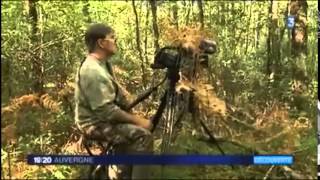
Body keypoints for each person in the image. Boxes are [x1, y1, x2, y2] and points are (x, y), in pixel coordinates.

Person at [74, 23, 153, 179]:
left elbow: (117, 99)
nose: (115, 41)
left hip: (103, 120)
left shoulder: (103, 65)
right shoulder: (93, 71)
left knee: (131, 135)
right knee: (143, 136)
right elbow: (106, 111)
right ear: (101, 43)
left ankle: (120, 173)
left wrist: (132, 114)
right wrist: (138, 120)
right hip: (94, 124)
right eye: (112, 38)